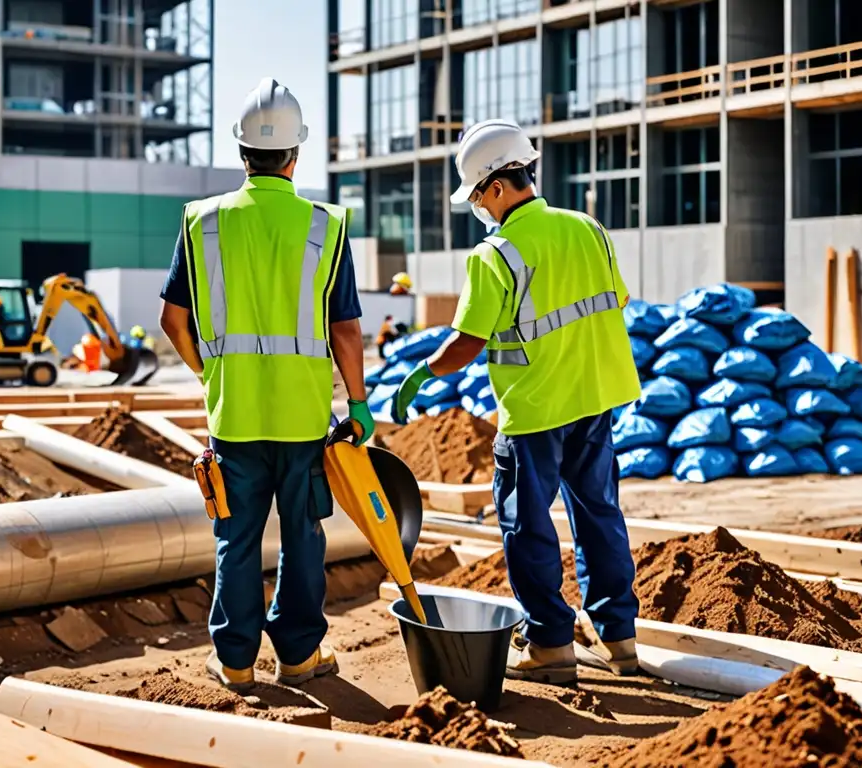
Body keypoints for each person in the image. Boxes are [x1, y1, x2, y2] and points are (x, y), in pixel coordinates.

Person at [392, 118, 642, 685]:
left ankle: (551, 645)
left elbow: (467, 342)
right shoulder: (590, 228)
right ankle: (619, 639)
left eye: (478, 194)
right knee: (599, 515)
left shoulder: (495, 255)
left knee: (527, 526)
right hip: (596, 400)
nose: (478, 206)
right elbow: (614, 302)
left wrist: (422, 374)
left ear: (498, 187)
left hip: (534, 412)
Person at [158, 77, 373, 693]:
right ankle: (300, 656)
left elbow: (174, 319)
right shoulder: (324, 225)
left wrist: (212, 374)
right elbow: (347, 329)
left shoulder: (204, 223)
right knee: (304, 540)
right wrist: (357, 402)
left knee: (237, 539)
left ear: (242, 151)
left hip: (236, 418)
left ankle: (234, 660)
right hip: (304, 420)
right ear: (295, 154)